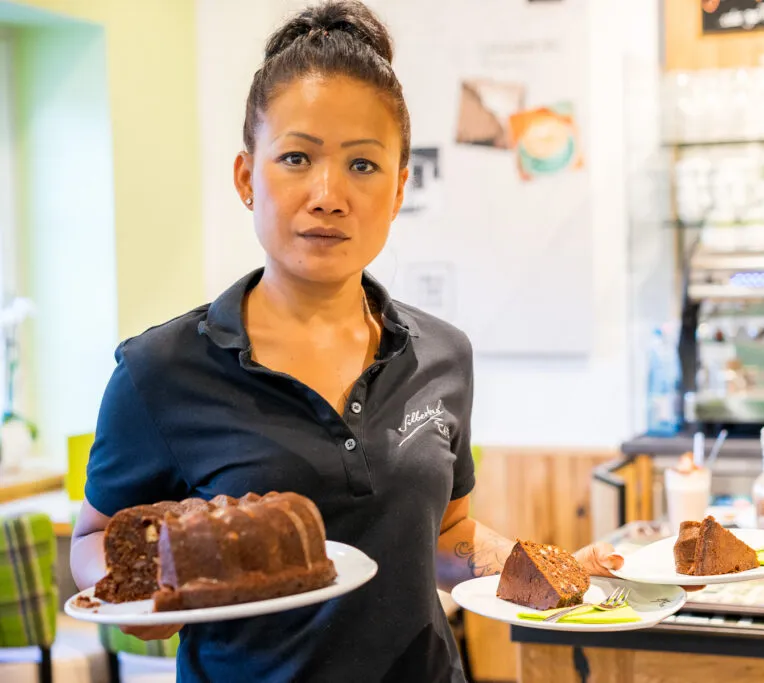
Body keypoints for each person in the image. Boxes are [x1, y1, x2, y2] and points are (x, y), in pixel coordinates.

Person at [69, 2, 623, 681]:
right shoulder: (161, 369)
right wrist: (146, 585)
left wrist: (547, 568)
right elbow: (94, 537)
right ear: (248, 178)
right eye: (297, 157)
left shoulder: (442, 355)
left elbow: (446, 537)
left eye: (363, 165)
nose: (329, 194)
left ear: (398, 188)